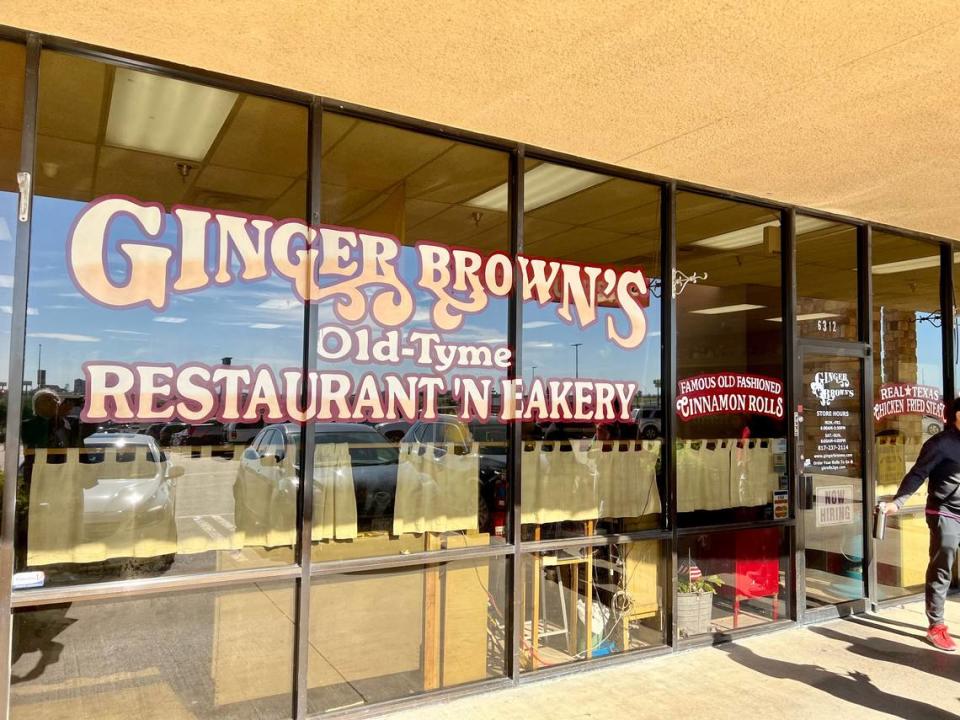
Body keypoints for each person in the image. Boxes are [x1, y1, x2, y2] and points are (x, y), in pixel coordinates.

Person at [884, 396, 960, 651]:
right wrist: (898, 502)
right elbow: (918, 473)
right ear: (958, 416)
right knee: (943, 563)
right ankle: (936, 625)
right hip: (944, 510)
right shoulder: (940, 444)